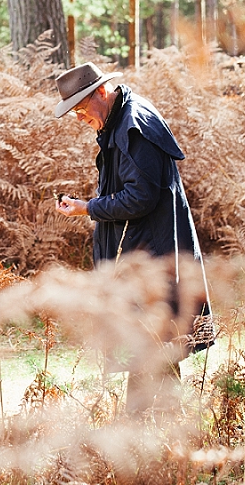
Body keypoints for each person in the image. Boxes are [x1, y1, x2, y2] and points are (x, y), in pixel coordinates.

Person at [53, 62, 215, 415]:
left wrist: (88, 208)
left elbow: (140, 197)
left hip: (154, 257)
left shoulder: (134, 128)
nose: (79, 118)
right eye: (74, 113)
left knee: (152, 340)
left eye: (81, 108)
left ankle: (137, 432)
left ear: (101, 92)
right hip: (145, 253)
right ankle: (165, 431)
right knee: (156, 343)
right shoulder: (118, 120)